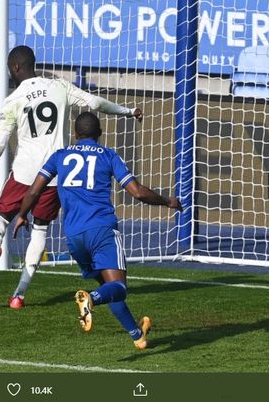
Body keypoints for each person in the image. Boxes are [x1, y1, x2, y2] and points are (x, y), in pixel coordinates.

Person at [0, 45, 142, 309]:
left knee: (0, 217)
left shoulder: (14, 99)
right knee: (40, 229)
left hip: (24, 172)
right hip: (54, 174)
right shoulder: (59, 86)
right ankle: (19, 294)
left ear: (15, 68)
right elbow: (95, 103)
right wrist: (127, 112)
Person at [12, 112, 182, 349]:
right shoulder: (109, 155)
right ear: (100, 134)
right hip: (101, 231)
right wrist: (167, 201)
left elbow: (33, 191)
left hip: (73, 237)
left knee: (109, 285)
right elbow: (138, 192)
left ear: (75, 134)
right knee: (119, 288)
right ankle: (91, 298)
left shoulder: (60, 156)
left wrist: (21, 215)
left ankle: (137, 335)